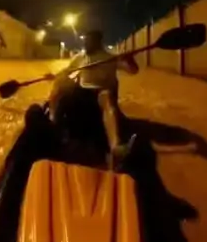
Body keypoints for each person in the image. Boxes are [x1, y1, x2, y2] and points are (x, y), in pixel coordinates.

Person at [46, 30, 139, 168]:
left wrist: (129, 59)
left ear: (97, 42)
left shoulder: (110, 57)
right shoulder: (80, 57)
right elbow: (67, 71)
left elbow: (133, 70)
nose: (85, 43)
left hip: (100, 92)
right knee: (60, 84)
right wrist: (54, 76)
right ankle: (52, 124)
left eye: (89, 41)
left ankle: (115, 147)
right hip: (82, 92)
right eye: (85, 41)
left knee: (106, 97)